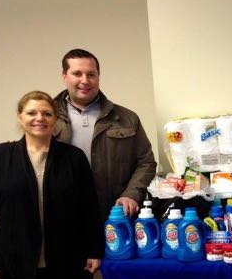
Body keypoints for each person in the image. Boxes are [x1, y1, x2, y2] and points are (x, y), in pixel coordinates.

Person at [0, 91, 104, 279]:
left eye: (46, 113)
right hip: (18, 261)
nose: (39, 118)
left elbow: (89, 208)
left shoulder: (73, 158)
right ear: (20, 118)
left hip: (68, 258)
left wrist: (95, 250)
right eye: (31, 112)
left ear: (55, 119)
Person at [54, 49, 157, 219]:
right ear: (64, 76)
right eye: (77, 73)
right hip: (62, 215)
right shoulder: (46, 118)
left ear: (98, 77)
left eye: (91, 74)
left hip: (114, 214)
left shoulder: (127, 118)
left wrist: (131, 194)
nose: (85, 81)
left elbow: (145, 162)